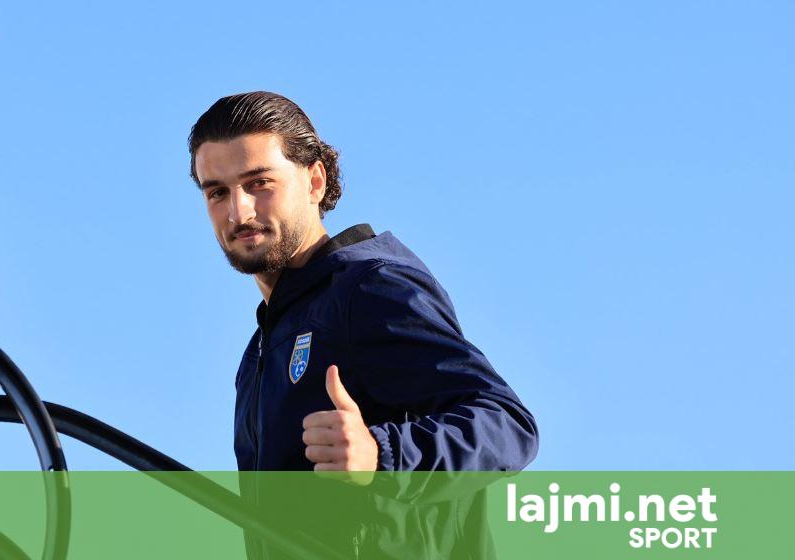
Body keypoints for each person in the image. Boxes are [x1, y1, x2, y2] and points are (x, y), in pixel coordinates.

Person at [188, 91, 539, 558]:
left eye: (259, 183)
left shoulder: (370, 289)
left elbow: (507, 426)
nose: (239, 212)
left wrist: (379, 455)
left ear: (315, 180)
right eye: (217, 192)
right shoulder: (260, 352)